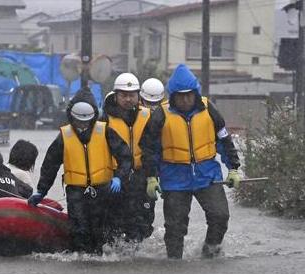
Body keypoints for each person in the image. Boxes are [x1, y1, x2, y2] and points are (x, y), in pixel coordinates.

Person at [141, 64, 241, 259]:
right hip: (174, 179)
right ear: (173, 96)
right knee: (175, 227)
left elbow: (224, 140)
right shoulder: (160, 115)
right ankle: (174, 263)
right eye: (180, 95)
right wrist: (151, 177)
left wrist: (233, 168)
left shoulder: (209, 109)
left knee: (220, 216)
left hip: (207, 176)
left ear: (195, 93)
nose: (185, 99)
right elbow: (148, 149)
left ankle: (209, 254)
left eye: (189, 94)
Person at [28, 88, 132, 254]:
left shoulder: (105, 132)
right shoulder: (64, 136)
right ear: (71, 117)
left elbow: (125, 157)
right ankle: (82, 259)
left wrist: (119, 177)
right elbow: (50, 165)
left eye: (86, 121)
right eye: (78, 121)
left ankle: (100, 257)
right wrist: (41, 190)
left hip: (103, 190)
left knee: (101, 230)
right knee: (79, 229)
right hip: (76, 192)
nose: (82, 125)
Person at [101, 72, 155, 244]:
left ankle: (136, 251)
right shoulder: (104, 119)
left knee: (143, 220)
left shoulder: (149, 116)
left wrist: (155, 175)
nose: (128, 99)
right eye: (124, 95)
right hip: (115, 178)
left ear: (138, 95)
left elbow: (158, 146)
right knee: (114, 220)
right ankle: (116, 252)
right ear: (115, 95)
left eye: (132, 95)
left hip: (142, 175)